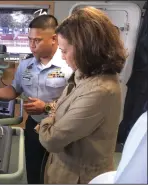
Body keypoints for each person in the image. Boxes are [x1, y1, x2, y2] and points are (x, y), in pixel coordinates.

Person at [36, 7, 127, 184]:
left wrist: (47, 120)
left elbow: (52, 140)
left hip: (79, 177)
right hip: (61, 168)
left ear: (85, 50)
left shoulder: (101, 90)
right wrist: (54, 113)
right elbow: (63, 105)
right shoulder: (83, 73)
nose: (62, 57)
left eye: (64, 51)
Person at [0, 15, 72, 184]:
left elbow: (74, 103)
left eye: (37, 40)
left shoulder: (69, 65)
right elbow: (15, 89)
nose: (32, 45)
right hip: (33, 125)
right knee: (33, 171)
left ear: (54, 39)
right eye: (29, 40)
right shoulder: (26, 65)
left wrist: (45, 107)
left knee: (59, 174)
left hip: (61, 128)